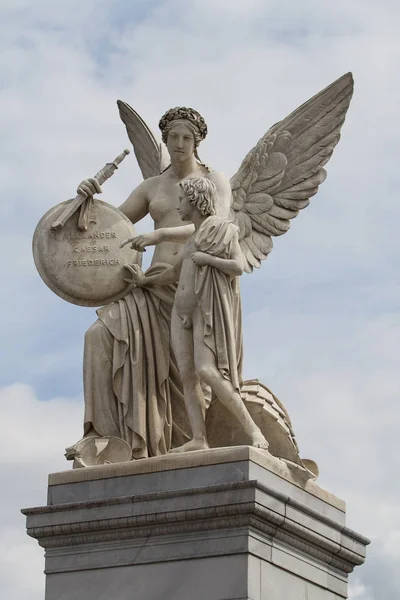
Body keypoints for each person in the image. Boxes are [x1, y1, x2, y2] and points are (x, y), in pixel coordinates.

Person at [76, 107, 234, 459]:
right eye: (173, 137)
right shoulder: (152, 187)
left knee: (189, 375)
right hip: (147, 287)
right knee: (98, 336)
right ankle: (105, 438)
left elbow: (216, 228)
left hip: (193, 288)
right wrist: (86, 200)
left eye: (187, 138)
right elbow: (108, 229)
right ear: (164, 139)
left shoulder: (215, 181)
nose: (179, 144)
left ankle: (179, 443)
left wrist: (159, 232)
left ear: (197, 142)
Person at [125, 177, 268, 452]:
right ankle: (199, 438)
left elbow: (238, 266)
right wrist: (143, 281)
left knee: (207, 371)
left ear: (194, 200)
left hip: (206, 312)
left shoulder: (224, 230)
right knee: (188, 376)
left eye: (181, 200)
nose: (178, 205)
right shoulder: (192, 239)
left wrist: (209, 260)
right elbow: (174, 274)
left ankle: (253, 430)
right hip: (182, 314)